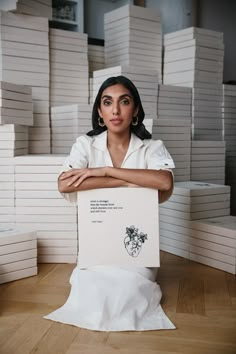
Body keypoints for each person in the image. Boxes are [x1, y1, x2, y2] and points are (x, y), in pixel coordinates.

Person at [44, 76, 175, 331]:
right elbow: (64, 184)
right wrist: (128, 183)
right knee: (89, 293)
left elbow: (164, 182)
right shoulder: (86, 144)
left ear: (135, 110)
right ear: (100, 112)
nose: (116, 110)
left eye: (124, 102)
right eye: (107, 102)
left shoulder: (152, 147)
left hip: (136, 251)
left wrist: (106, 171)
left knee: (130, 293)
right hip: (96, 249)